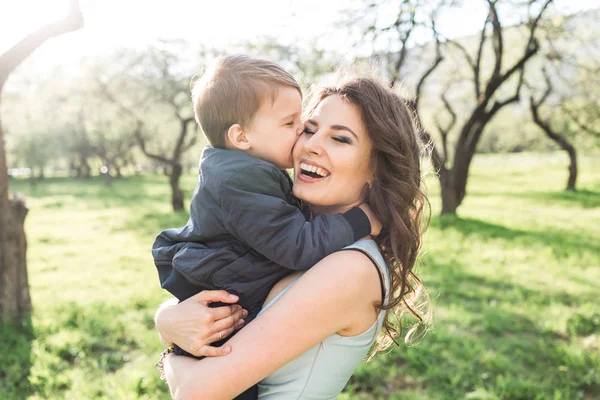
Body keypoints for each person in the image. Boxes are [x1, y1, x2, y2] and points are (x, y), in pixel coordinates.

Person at [155, 74, 430, 399]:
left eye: (340, 139)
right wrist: (168, 318)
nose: (311, 145)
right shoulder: (291, 235)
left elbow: (194, 392)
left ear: (376, 167)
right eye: (308, 129)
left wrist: (170, 353)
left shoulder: (350, 269)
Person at [152, 55, 381, 364]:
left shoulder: (245, 170)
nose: (301, 132)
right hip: (225, 315)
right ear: (241, 137)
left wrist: (165, 323)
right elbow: (296, 244)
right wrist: (360, 220)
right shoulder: (241, 180)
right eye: (291, 123)